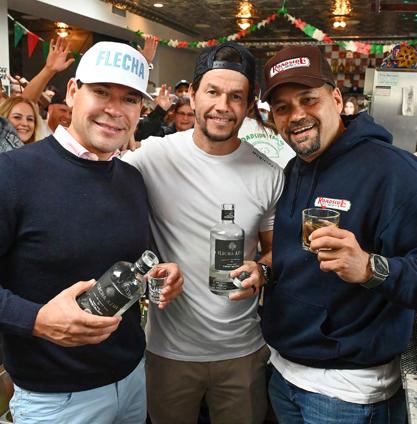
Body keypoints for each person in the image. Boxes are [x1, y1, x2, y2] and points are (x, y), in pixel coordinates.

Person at [0, 41, 183, 424]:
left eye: (130, 99)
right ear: (72, 92)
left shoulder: (132, 178)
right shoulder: (12, 174)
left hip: (132, 378)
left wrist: (156, 272)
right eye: (101, 92)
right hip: (55, 399)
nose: (115, 109)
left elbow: (119, 260)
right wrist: (36, 319)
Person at [123, 41, 284, 424]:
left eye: (236, 96)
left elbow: (274, 250)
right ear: (193, 95)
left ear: (249, 105)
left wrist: (262, 270)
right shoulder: (151, 158)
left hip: (243, 352)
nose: (222, 106)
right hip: (168, 353)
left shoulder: (268, 173)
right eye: (212, 92)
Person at [260, 45, 417, 423]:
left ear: (335, 99)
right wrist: (263, 270)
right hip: (283, 372)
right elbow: (295, 258)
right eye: (282, 107)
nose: (297, 115)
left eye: (308, 99)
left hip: (348, 393)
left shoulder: (395, 172)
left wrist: (369, 268)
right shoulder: (295, 169)